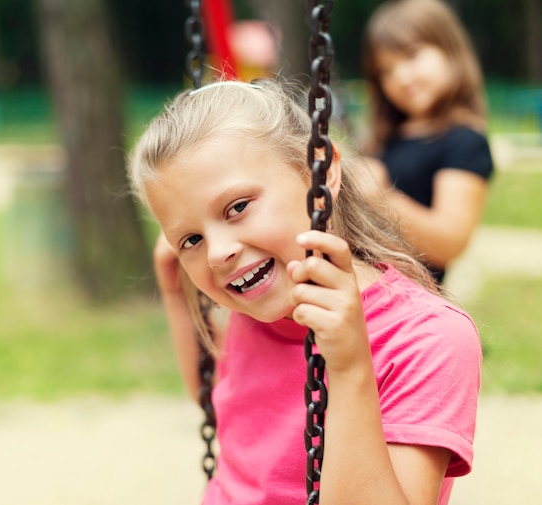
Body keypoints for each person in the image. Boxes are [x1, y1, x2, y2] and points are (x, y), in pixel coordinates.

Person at [129, 78, 481, 505]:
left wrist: (350, 366)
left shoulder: (426, 339)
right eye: (191, 240)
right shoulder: (255, 312)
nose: (219, 253)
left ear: (321, 171)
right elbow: (224, 405)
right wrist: (174, 293)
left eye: (237, 207)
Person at [360, 0, 494, 284]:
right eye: (386, 70)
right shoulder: (385, 137)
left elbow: (449, 243)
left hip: (410, 301)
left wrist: (380, 196)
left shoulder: (465, 142)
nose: (401, 77)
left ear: (449, 50)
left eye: (411, 55)